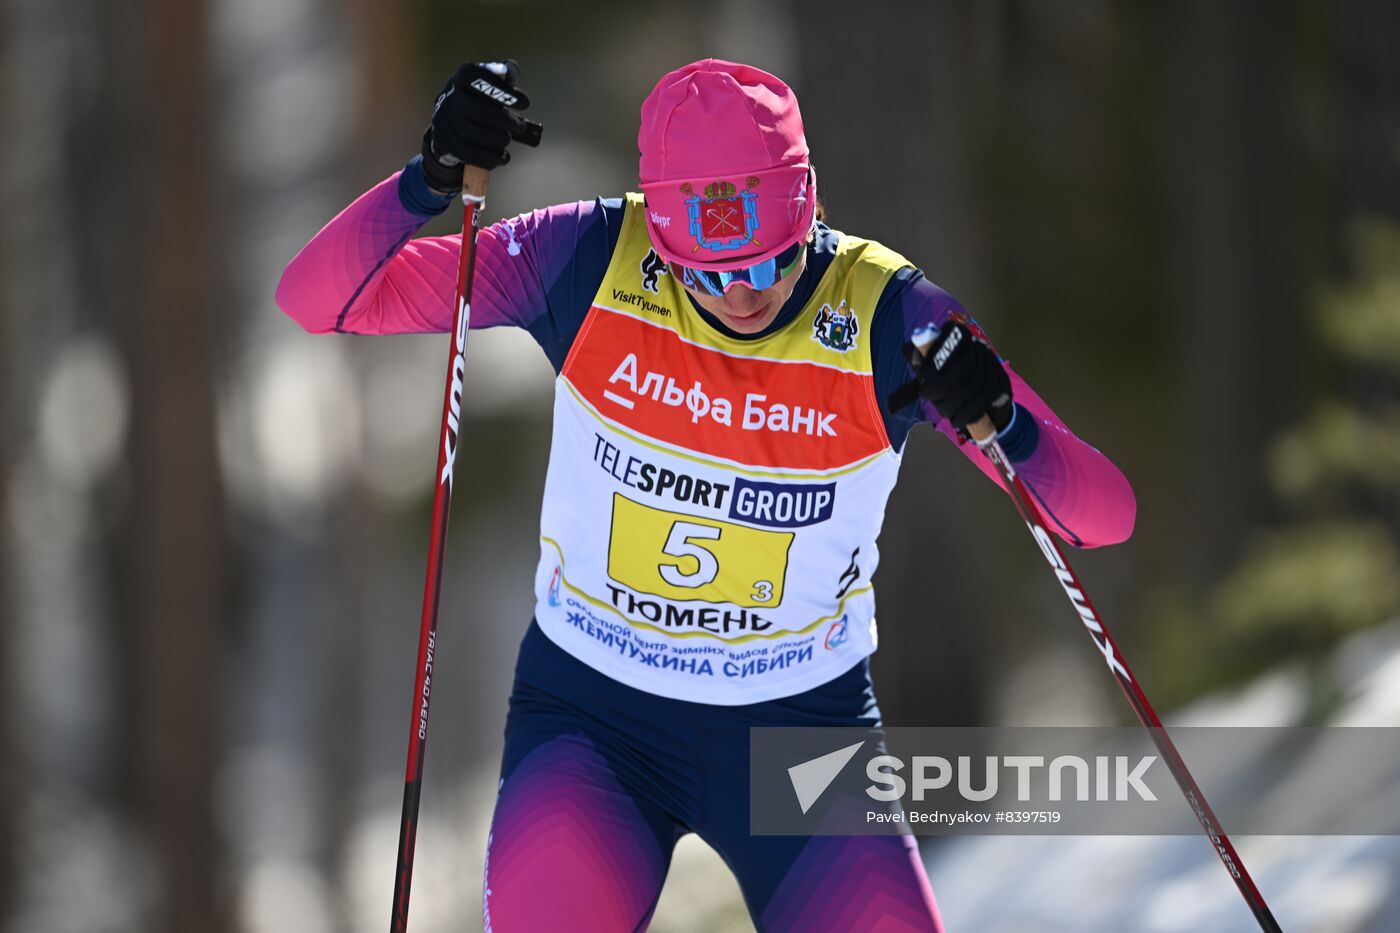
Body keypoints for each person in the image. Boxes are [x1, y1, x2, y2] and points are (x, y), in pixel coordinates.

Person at [277, 58, 1135, 933]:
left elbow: (1102, 519)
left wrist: (1004, 420)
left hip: (799, 735)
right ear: (659, 233)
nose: (744, 296)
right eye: (707, 273)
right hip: (595, 722)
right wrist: (428, 181)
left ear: (811, 210)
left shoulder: (888, 318)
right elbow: (316, 299)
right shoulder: (584, 257)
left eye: (770, 262)